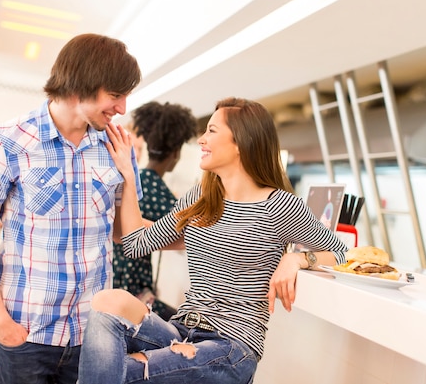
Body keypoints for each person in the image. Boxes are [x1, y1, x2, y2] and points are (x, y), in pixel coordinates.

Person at [78, 97, 348, 384]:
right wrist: (128, 175)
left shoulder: (278, 205)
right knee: (107, 300)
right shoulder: (202, 198)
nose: (202, 139)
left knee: (120, 373)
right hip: (180, 330)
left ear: (241, 142)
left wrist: (296, 258)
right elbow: (136, 243)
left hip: (230, 346)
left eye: (212, 131)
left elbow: (342, 252)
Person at [0, 33, 142, 384]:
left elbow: (123, 232)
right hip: (26, 333)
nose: (122, 108)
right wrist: (0, 321)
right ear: (83, 84)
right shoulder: (8, 142)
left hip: (94, 336)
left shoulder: (117, 148)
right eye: (115, 95)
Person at [112, 101, 198, 321]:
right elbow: (185, 229)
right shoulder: (158, 190)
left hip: (113, 283)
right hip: (132, 290)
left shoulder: (134, 181)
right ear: (176, 153)